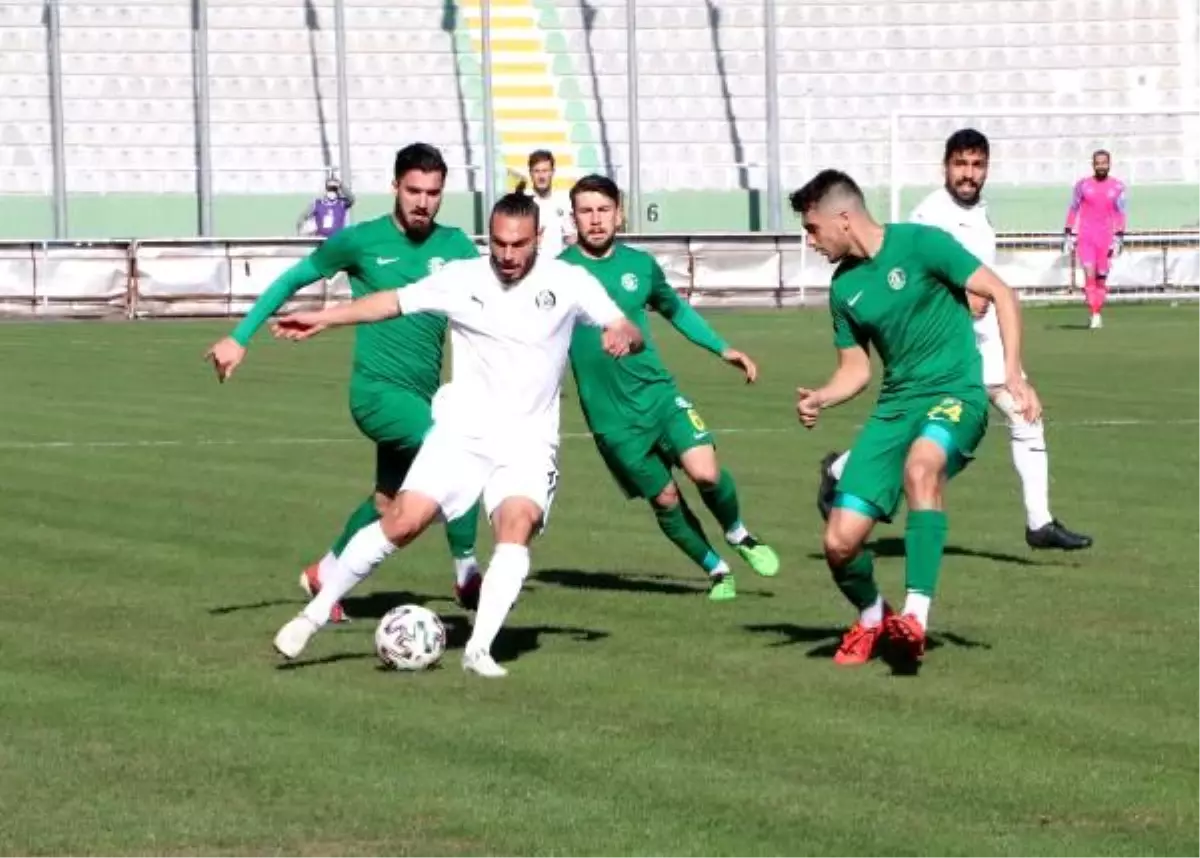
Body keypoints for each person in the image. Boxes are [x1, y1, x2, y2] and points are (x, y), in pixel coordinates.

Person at [269, 193, 644, 678]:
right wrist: (321, 319)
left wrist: (623, 337)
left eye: (519, 245)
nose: (507, 255)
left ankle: (478, 651)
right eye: (499, 244)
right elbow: (390, 302)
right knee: (403, 522)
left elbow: (625, 325)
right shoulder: (463, 278)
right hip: (463, 431)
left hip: (528, 442)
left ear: (540, 240)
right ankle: (313, 615)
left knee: (517, 525)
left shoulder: (568, 281)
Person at [206, 144, 483, 624]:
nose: (422, 202)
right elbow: (293, 278)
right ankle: (467, 574)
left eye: (433, 193)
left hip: (421, 395)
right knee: (453, 455)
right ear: (395, 186)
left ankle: (324, 574)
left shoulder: (455, 246)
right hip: (375, 394)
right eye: (413, 190)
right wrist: (240, 336)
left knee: (387, 503)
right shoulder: (361, 240)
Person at [791, 169, 1042, 669]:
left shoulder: (922, 243)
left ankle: (915, 619)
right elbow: (856, 370)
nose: (810, 240)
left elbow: (1001, 293)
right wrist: (823, 395)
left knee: (921, 469)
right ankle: (871, 619)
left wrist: (1013, 375)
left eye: (813, 228)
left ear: (844, 218)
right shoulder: (844, 291)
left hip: (954, 396)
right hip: (894, 409)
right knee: (839, 544)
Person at [817, 130, 1091, 552]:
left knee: (1025, 414)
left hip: (983, 337)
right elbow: (913, 272)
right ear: (945, 166)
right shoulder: (930, 216)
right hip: (945, 342)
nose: (969, 174)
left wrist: (1011, 361)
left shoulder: (981, 212)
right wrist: (963, 297)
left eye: (977, 165)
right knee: (922, 432)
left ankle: (1040, 522)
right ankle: (842, 471)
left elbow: (986, 281)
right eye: (961, 164)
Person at [560, 174, 779, 601]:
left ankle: (737, 533)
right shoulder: (557, 273)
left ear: (620, 214)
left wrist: (723, 348)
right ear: (574, 218)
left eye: (604, 209)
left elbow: (676, 310)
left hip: (659, 394)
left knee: (706, 472)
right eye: (586, 211)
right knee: (664, 498)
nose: (596, 219)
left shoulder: (640, 266)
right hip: (610, 417)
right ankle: (717, 571)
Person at [1064, 150, 1127, 329]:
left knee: (1101, 280)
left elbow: (1121, 213)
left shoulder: (1118, 187)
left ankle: (1097, 309)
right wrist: (1068, 231)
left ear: (1109, 164)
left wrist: (1119, 236)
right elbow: (1073, 207)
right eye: (1098, 163)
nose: (1101, 166)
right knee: (1089, 276)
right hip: (1086, 237)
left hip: (1106, 238)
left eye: (1104, 163)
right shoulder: (1082, 185)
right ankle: (1094, 314)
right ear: (1093, 164)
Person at [516, 149, 576, 258]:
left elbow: (569, 237)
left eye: (545, 171)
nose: (541, 176)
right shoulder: (521, 202)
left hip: (558, 266)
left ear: (552, 172)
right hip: (530, 266)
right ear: (530, 173)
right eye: (537, 171)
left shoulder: (564, 201)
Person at [298, 173, 355, 237]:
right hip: (321, 239)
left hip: (337, 239)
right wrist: (303, 232)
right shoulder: (317, 204)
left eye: (334, 189)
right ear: (326, 190)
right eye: (330, 189)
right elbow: (302, 218)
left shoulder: (341, 203)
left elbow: (352, 199)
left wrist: (341, 185)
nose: (332, 192)